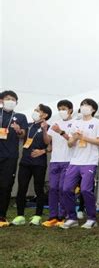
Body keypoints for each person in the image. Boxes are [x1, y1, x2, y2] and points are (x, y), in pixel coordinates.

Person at [61, 99, 99, 229]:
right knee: (66, 189)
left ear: (93, 109)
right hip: (75, 161)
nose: (84, 107)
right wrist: (74, 137)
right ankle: (72, 217)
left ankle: (92, 218)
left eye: (87, 105)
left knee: (86, 189)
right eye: (82, 105)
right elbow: (70, 144)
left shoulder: (97, 123)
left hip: (90, 161)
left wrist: (84, 138)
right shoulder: (75, 123)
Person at [11, 104, 52, 226]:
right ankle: (20, 215)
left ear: (44, 115)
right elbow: (21, 135)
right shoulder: (28, 125)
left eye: (37, 110)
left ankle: (37, 215)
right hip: (25, 161)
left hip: (39, 163)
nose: (34, 112)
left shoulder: (49, 127)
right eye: (34, 110)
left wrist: (42, 150)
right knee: (21, 188)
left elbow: (49, 144)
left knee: (38, 189)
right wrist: (18, 130)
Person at [42, 100, 75, 228]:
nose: (62, 111)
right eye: (59, 108)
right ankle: (53, 216)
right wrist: (45, 130)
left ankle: (63, 215)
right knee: (53, 188)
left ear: (70, 110)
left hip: (69, 160)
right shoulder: (55, 123)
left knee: (63, 188)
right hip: (55, 160)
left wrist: (61, 131)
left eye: (64, 108)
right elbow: (47, 141)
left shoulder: (76, 123)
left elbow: (72, 141)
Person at [0, 91, 28, 227]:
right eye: (7, 99)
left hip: (10, 156)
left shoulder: (20, 116)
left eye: (13, 99)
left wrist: (18, 130)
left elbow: (23, 135)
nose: (10, 101)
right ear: (1, 100)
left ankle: (2, 216)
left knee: (5, 186)